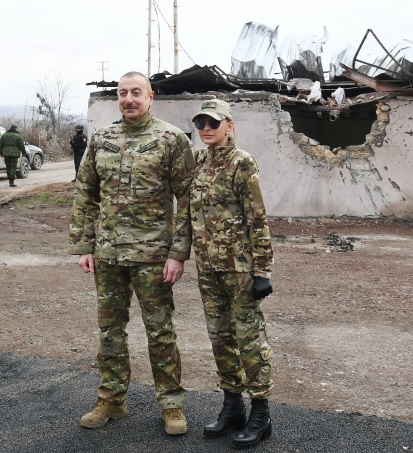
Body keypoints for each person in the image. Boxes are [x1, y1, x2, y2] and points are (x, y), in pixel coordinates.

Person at [69, 71, 195, 436]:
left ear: (150, 97)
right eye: (123, 93)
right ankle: (112, 399)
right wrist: (84, 245)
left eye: (136, 92)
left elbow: (186, 200)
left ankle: (171, 404)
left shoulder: (171, 139)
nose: (128, 99)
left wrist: (178, 253)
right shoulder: (102, 139)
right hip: (108, 253)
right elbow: (86, 193)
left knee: (160, 332)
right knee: (110, 331)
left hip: (154, 255)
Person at [190, 99, 274, 449]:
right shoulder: (199, 161)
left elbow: (257, 216)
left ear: (229, 124)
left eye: (213, 122)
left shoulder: (242, 163)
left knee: (248, 339)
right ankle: (232, 405)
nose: (206, 128)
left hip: (239, 269)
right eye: (200, 123)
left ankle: (260, 413)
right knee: (219, 338)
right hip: (208, 268)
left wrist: (262, 270)